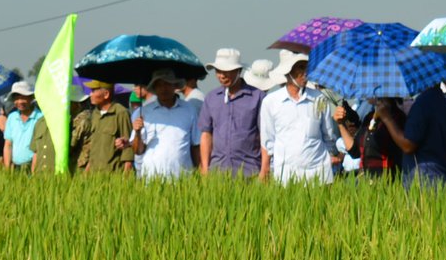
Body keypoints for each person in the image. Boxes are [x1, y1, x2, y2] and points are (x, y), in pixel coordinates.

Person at [257, 51, 357, 183]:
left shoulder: (319, 99)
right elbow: (268, 141)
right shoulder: (271, 102)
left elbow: (328, 135)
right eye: (300, 68)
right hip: (285, 176)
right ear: (288, 71)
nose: (305, 73)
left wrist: (332, 157)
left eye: (307, 68)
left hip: (318, 174)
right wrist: (264, 170)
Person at [370, 78, 446, 186]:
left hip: (423, 179)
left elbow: (408, 145)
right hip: (443, 177)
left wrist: (386, 117)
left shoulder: (423, 104)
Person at [196, 49, 265, 177]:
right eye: (218, 71)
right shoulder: (212, 98)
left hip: (249, 171)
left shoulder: (257, 97)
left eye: (226, 71)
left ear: (239, 71)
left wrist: (264, 169)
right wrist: (205, 168)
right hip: (218, 171)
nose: (221, 76)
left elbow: (265, 136)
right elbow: (206, 134)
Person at [133, 70, 200, 179]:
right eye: (159, 85)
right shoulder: (144, 112)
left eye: (168, 84)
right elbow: (138, 151)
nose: (164, 88)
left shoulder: (189, 110)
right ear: (154, 88)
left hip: (183, 178)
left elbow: (196, 146)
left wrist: (200, 174)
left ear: (175, 86)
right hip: (152, 178)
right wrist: (137, 133)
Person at [74, 80, 135, 174]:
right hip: (95, 174)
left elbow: (128, 147)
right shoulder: (95, 114)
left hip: (114, 174)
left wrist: (126, 175)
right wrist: (87, 172)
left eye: (94, 91)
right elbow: (93, 147)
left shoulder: (121, 113)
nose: (90, 94)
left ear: (106, 94)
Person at [30, 82, 88, 173]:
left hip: (60, 175)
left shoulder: (71, 122)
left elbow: (72, 146)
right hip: (40, 176)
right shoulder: (40, 122)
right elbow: (36, 154)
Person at [0, 82, 41, 170]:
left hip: (35, 166)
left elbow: (39, 148)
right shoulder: (12, 117)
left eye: (23, 98)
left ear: (31, 98)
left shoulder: (40, 117)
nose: (20, 102)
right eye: (17, 98)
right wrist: (7, 168)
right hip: (16, 168)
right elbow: (8, 144)